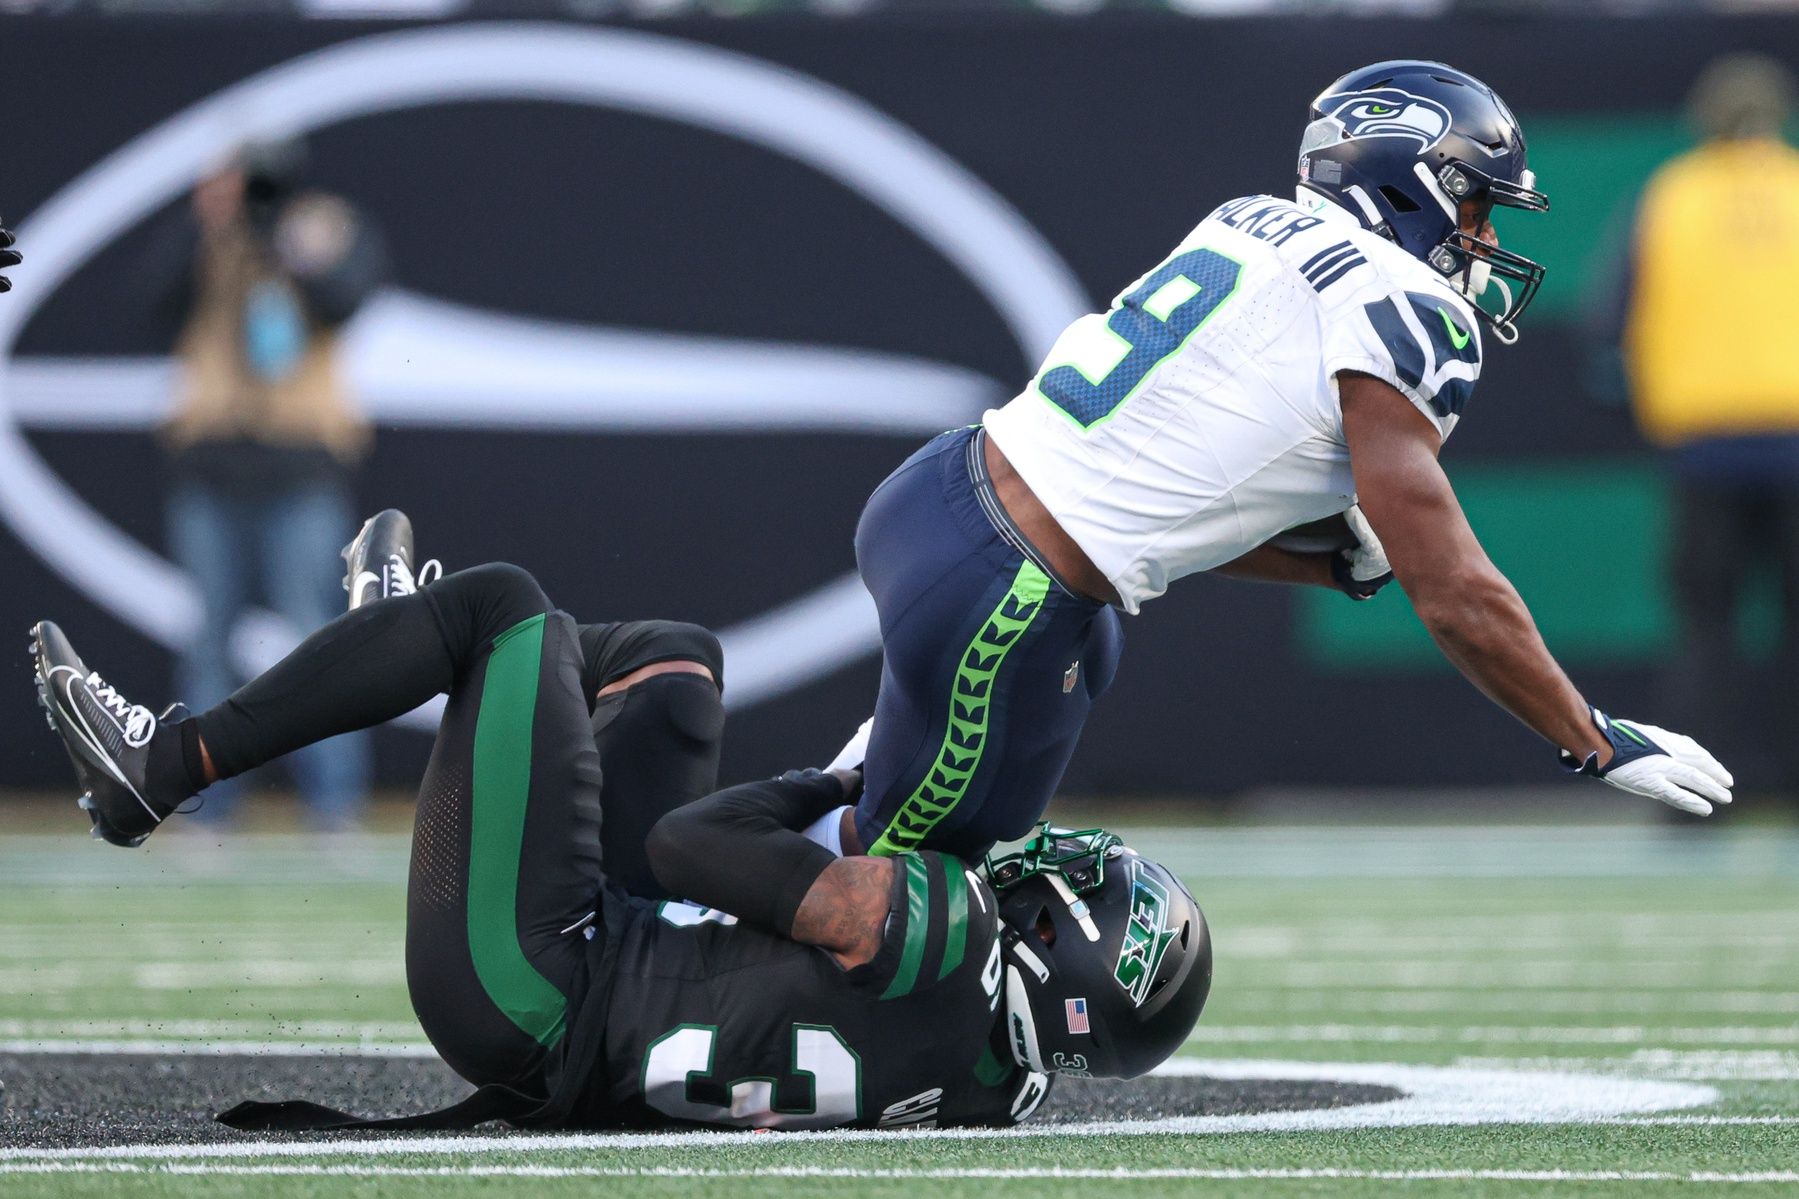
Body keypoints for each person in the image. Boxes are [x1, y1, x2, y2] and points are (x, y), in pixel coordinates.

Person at [28, 514, 1211, 1130]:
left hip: (534, 984)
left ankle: (160, 766)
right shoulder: (1005, 1085)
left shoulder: (936, 925)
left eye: (1083, 889)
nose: (1061, 860)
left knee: (498, 607)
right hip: (607, 991)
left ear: (1060, 943)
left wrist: (826, 789)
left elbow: (687, 842)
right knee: (673, 664)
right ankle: (404, 654)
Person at [830, 59, 1734, 862]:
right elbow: (1453, 590)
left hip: (953, 494)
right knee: (882, 880)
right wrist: (1591, 736)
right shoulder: (1410, 308)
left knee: (938, 840)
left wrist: (1328, 560)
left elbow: (1162, 502)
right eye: (1475, 207)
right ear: (1409, 184)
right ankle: (701, 939)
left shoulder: (1247, 222)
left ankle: (747, 848)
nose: (1486, 240)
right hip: (1010, 578)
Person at [148, 138, 389, 830]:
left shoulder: (323, 226)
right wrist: (205, 224)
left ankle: (334, 806)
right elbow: (149, 304)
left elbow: (345, 298)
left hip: (299, 461)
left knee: (313, 638)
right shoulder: (209, 239)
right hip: (212, 461)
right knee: (208, 644)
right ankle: (205, 805)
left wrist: (292, 245)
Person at [1594, 54, 1799, 796]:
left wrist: (1631, 409)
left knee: (1703, 630)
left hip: (1701, 445)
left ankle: (1693, 796)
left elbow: (1610, 319)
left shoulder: (1670, 194)